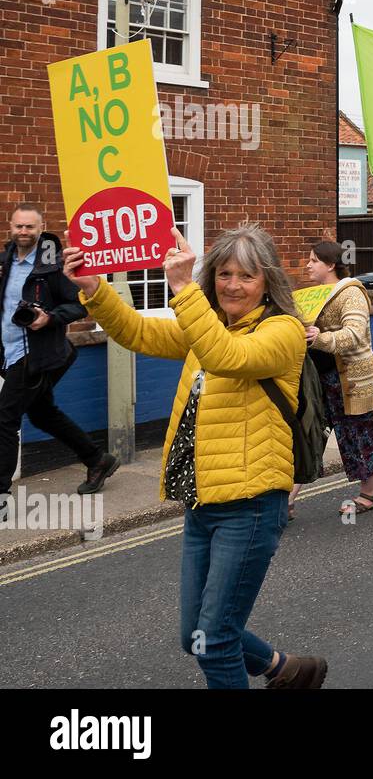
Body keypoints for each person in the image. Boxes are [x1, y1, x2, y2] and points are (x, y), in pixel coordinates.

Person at [66, 225, 325, 688]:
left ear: (267, 281)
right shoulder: (209, 327)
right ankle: (284, 669)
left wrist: (185, 289)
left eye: (246, 275)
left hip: (250, 506)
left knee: (216, 638)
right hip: (203, 502)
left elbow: (227, 357)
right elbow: (139, 333)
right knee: (195, 636)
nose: (231, 285)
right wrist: (94, 289)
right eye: (223, 273)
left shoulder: (282, 331)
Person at [1, 204, 116, 515]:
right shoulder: (6, 262)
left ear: (41, 229)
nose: (23, 232)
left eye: (30, 227)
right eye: (19, 226)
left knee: (5, 420)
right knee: (42, 414)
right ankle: (97, 459)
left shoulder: (51, 265)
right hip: (11, 352)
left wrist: (48, 318)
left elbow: (79, 305)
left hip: (35, 356)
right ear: (11, 227)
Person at [300, 241, 373, 518]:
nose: (308, 265)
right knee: (310, 434)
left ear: (331, 265)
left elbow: (355, 333)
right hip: (322, 377)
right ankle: (285, 499)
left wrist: (319, 337)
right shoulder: (314, 294)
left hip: (352, 378)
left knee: (359, 435)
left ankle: (370, 493)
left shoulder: (351, 293)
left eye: (314, 260)